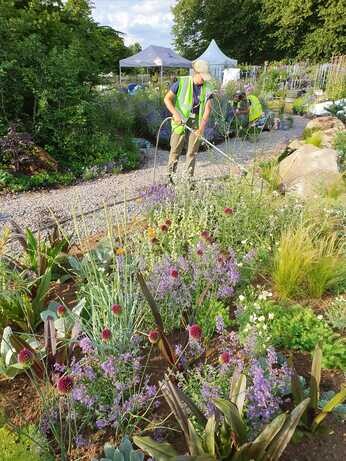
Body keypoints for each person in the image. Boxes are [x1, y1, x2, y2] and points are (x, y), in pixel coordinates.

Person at [164, 60, 213, 181]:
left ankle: (188, 180)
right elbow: (167, 99)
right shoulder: (182, 82)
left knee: (192, 152)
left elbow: (207, 109)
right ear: (196, 73)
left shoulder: (208, 87)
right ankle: (170, 179)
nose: (204, 80)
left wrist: (201, 129)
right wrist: (175, 114)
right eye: (202, 76)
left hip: (196, 122)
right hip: (180, 120)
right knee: (175, 150)